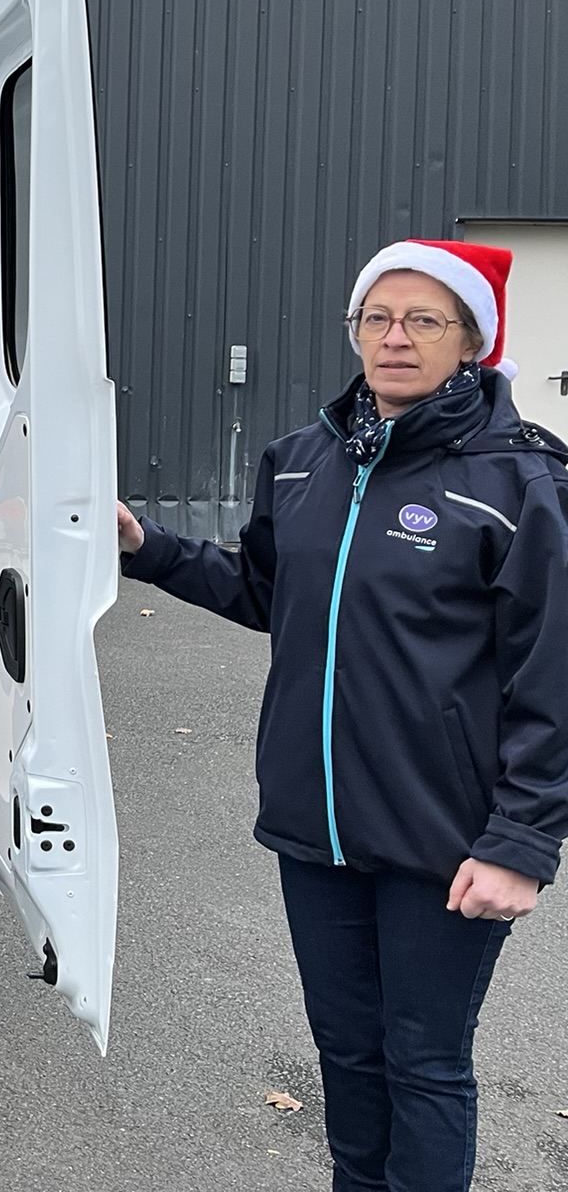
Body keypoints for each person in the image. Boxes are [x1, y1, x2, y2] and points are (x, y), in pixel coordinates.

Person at [117, 239, 568, 1192]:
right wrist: (147, 546)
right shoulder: (303, 461)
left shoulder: (521, 484)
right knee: (349, 1058)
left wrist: (522, 843)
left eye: (424, 321)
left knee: (426, 1062)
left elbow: (550, 673)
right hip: (314, 828)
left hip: (447, 839)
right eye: (378, 318)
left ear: (473, 342)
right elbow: (264, 589)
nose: (395, 338)